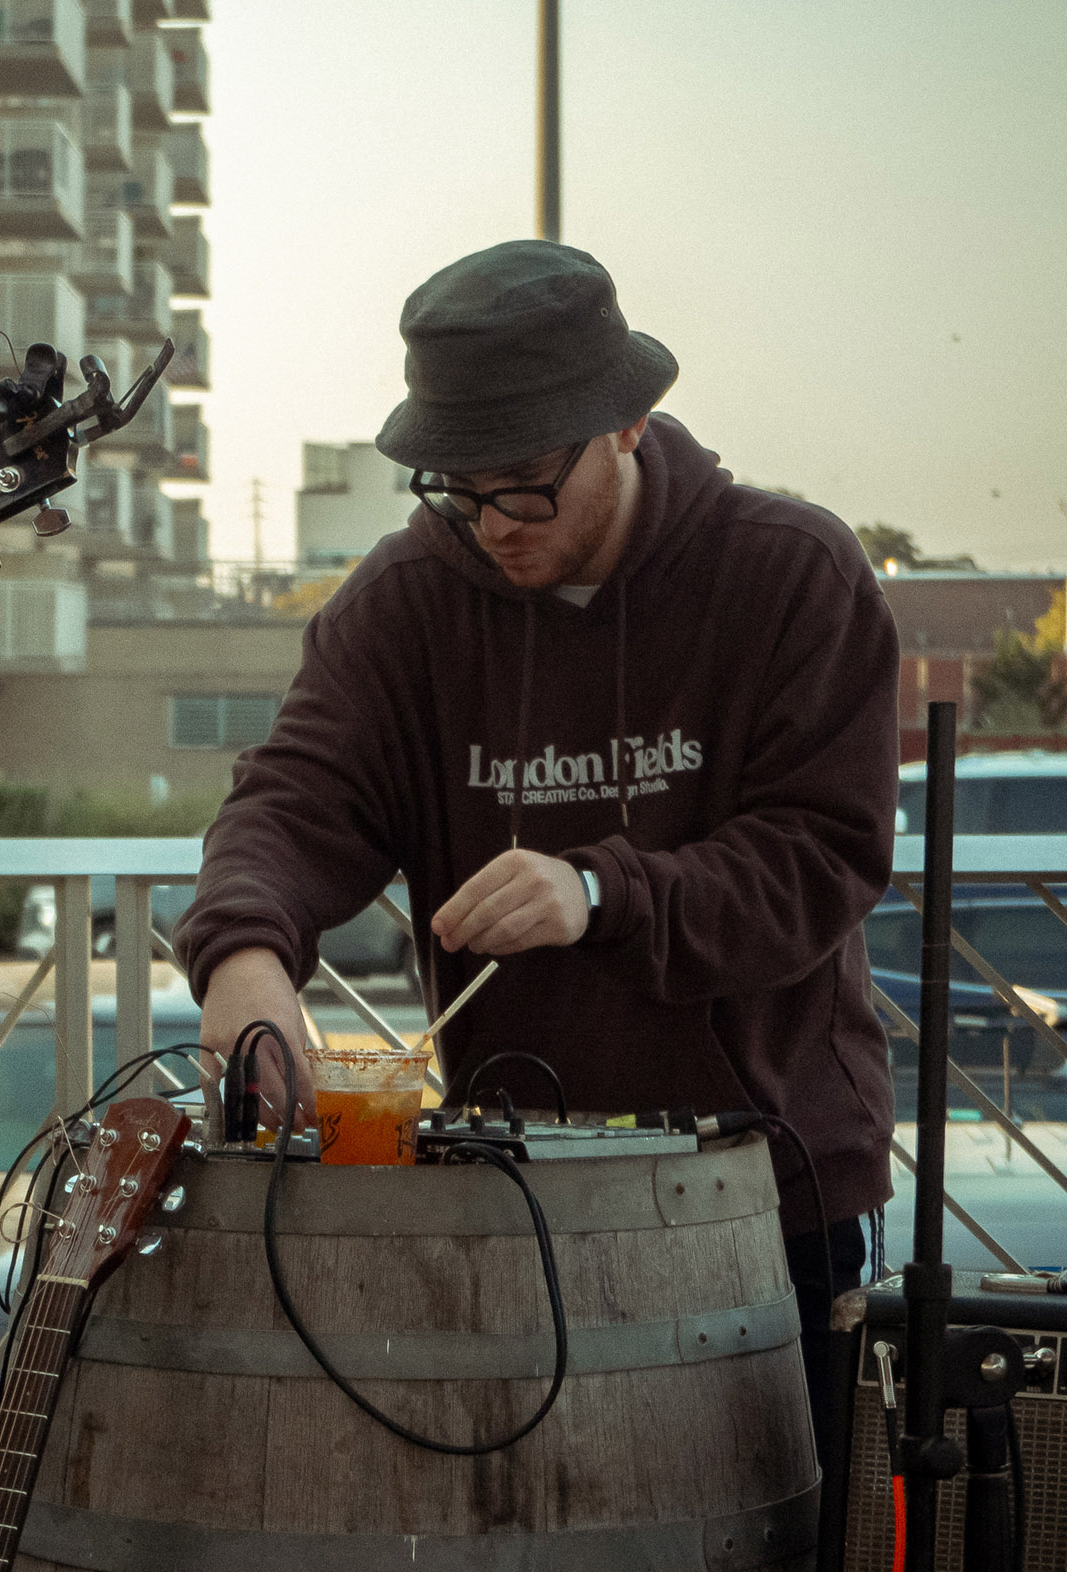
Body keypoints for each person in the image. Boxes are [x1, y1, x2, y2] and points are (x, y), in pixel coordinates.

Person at [175, 239, 898, 1452]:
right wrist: (243, 954)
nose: (491, 522)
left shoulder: (790, 573)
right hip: (509, 1194)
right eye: (456, 487)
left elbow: (823, 857)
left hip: (772, 1193)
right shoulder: (403, 605)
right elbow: (293, 800)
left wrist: (601, 890)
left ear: (624, 425)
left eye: (522, 483)